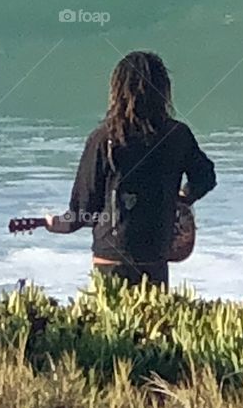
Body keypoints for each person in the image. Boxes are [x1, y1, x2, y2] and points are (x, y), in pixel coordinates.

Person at [45, 51, 216, 286]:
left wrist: (56, 224)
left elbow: (83, 210)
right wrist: (183, 199)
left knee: (112, 321)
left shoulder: (104, 137)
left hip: (111, 256)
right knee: (154, 320)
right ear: (163, 91)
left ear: (117, 90)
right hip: (155, 254)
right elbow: (205, 177)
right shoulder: (177, 135)